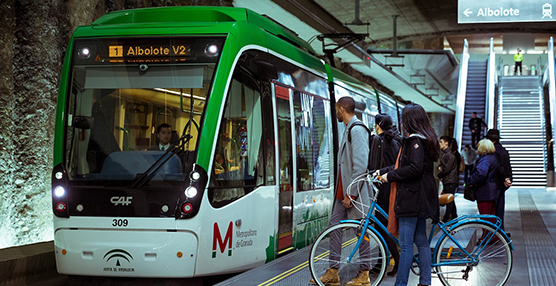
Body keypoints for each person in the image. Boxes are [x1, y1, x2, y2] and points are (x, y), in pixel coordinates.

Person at [376, 104, 440, 286]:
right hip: (419, 198)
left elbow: (413, 168)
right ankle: (424, 282)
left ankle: (401, 283)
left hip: (411, 199)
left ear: (410, 120)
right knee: (421, 241)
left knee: (405, 245)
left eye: (404, 118)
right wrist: (382, 171)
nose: (402, 122)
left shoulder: (414, 141)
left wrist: (389, 176)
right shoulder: (424, 140)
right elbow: (404, 166)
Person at [310, 96, 371, 285]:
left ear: (342, 109)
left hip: (354, 194)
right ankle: (333, 271)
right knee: (334, 228)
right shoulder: (347, 128)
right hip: (342, 193)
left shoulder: (357, 129)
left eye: (336, 109)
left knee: (362, 232)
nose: (335, 112)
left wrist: (351, 195)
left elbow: (360, 166)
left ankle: (364, 275)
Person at [370, 113, 401, 276]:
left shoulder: (378, 140)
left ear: (377, 125)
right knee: (384, 226)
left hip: (383, 187)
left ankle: (393, 260)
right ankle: (383, 262)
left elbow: (373, 165)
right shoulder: (394, 140)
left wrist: (374, 173)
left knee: (381, 227)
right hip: (392, 186)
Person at [467, 139, 499, 225]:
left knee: (485, 216)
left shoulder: (485, 160)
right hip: (491, 189)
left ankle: (487, 236)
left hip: (484, 190)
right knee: (491, 215)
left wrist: (470, 181)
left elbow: (481, 174)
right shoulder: (493, 158)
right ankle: (493, 236)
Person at [486, 129, 513, 231]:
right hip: (502, 185)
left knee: (492, 211)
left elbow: (499, 167)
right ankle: (500, 231)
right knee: (500, 210)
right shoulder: (504, 150)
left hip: (495, 183)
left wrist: (504, 178)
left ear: (490, 139)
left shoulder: (493, 151)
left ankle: (494, 234)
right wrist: (508, 179)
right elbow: (509, 167)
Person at [437, 136, 458, 223]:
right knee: (451, 200)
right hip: (448, 180)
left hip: (450, 180)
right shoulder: (445, 154)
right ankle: (454, 216)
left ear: (446, 143)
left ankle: (447, 218)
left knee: (449, 200)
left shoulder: (450, 155)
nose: (439, 144)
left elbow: (447, 169)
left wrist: (440, 173)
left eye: (441, 142)